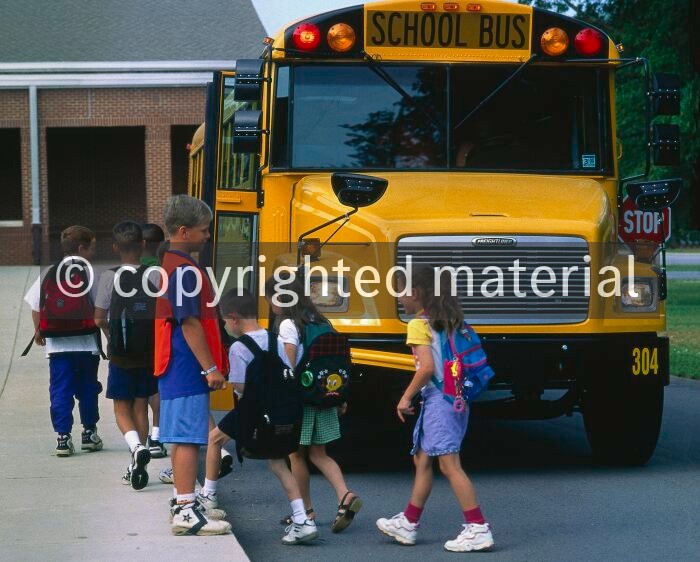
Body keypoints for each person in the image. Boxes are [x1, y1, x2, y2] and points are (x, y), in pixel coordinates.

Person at [376, 266, 494, 552]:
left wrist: (405, 397)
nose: (399, 297)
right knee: (422, 459)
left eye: (401, 291)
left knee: (450, 466)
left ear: (415, 293)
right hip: (454, 400)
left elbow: (427, 368)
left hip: (440, 402)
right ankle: (408, 522)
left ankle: (478, 527)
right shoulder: (450, 320)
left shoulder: (418, 324)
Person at [200, 288, 319, 545]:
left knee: (214, 439)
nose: (224, 325)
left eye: (224, 321)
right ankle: (302, 519)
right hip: (279, 410)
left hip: (252, 410)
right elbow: (286, 371)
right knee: (278, 463)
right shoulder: (274, 338)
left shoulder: (239, 347)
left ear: (233, 318)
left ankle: (208, 495)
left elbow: (241, 387)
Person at [154, 194, 231, 536]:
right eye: (203, 230)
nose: (207, 236)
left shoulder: (171, 264)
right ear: (184, 231)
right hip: (186, 364)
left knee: (186, 436)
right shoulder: (185, 270)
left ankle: (184, 502)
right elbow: (189, 323)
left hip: (177, 363)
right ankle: (186, 508)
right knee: (186, 439)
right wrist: (210, 367)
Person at [264, 273, 361, 533]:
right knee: (320, 454)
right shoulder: (321, 320)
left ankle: (305, 510)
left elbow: (289, 365)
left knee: (296, 455)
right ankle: (345, 495)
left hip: (301, 400)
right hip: (325, 395)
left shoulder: (288, 324)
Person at [24, 225, 104, 457]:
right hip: (87, 345)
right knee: (88, 389)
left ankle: (63, 438)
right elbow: (99, 308)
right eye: (92, 247)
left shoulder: (50, 271)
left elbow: (35, 305)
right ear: (82, 248)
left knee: (60, 390)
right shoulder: (89, 272)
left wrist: (39, 331)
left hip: (57, 347)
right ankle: (89, 433)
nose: (93, 252)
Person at [94, 221, 158, 489]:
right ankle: (136, 461)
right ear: (142, 245)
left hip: (121, 354)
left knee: (121, 406)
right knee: (141, 404)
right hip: (148, 353)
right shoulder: (154, 275)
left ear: (115, 247)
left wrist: (112, 337)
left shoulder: (109, 277)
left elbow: (99, 318)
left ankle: (135, 449)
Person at [140, 222, 167, 458]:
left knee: (140, 393)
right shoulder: (164, 270)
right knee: (157, 389)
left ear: (143, 243)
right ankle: (157, 436)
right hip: (159, 337)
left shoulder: (130, 270)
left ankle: (139, 444)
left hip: (137, 340)